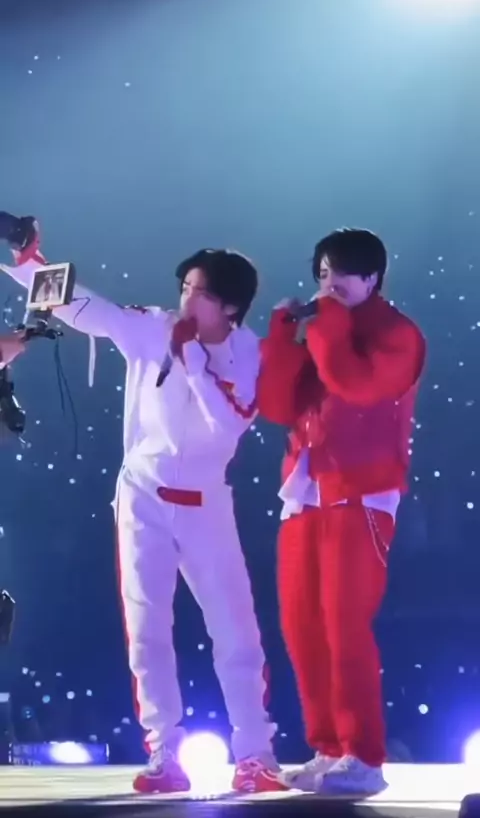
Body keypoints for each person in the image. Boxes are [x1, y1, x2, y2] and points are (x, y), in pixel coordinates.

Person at [1, 230, 285, 795]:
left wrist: (192, 359)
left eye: (202, 292)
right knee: (147, 630)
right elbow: (92, 311)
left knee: (236, 631)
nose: (187, 299)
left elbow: (229, 422)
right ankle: (163, 752)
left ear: (231, 306)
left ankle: (256, 754)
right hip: (143, 498)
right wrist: (29, 263)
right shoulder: (153, 327)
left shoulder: (249, 352)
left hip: (206, 503)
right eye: (185, 287)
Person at [257, 228, 426, 796]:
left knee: (343, 623)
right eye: (324, 273)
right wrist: (283, 336)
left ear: (373, 278)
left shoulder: (397, 334)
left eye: (345, 273)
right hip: (306, 489)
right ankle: (328, 748)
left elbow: (355, 385)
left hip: (363, 491)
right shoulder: (324, 330)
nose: (332, 284)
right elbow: (277, 404)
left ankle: (365, 756)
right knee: (301, 624)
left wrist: (324, 323)